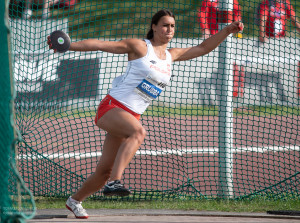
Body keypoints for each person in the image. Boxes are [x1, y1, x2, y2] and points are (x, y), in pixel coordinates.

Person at [47, 9, 243, 219]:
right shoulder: (140, 47)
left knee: (103, 172)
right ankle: (115, 182)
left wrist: (227, 30)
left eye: (173, 26)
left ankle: (74, 201)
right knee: (139, 133)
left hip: (130, 116)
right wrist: (68, 45)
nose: (169, 30)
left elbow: (203, 47)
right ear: (154, 27)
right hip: (112, 108)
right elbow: (100, 44)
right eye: (165, 25)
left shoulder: (170, 55)